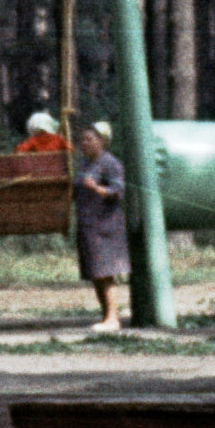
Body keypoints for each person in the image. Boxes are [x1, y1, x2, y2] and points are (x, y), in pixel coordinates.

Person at [72, 120, 129, 328]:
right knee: (95, 273)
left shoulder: (111, 163)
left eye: (89, 139)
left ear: (102, 141)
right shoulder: (85, 164)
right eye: (82, 140)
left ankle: (114, 318)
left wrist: (96, 188)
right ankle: (105, 315)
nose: (84, 144)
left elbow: (117, 191)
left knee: (106, 272)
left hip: (106, 227)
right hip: (88, 225)